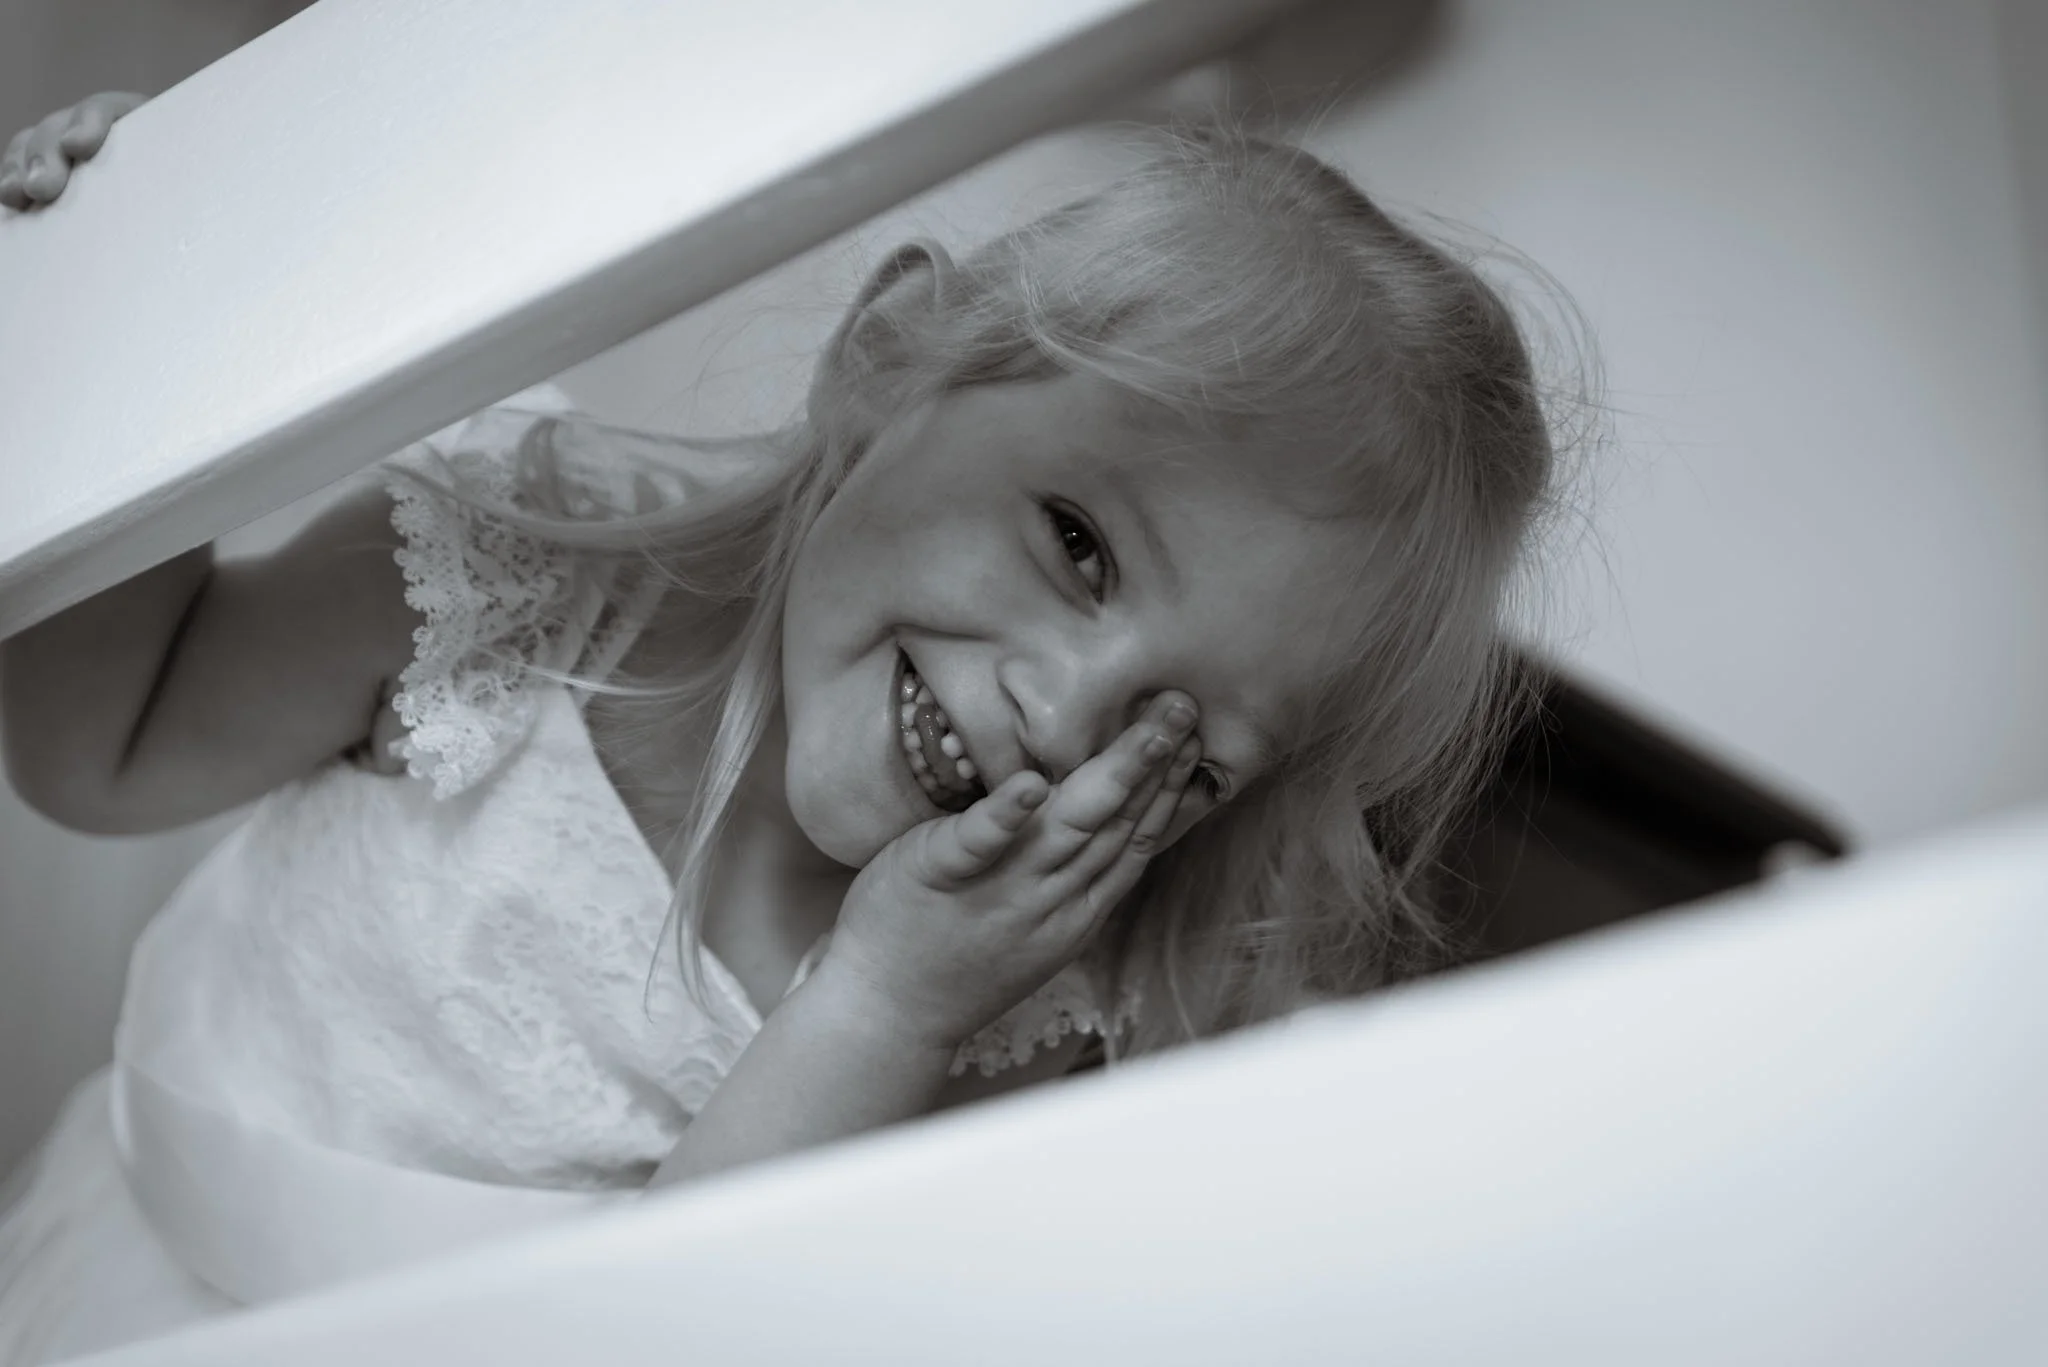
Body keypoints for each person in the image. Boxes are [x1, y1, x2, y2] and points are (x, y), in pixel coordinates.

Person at [0, 89, 1565, 1363]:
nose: (1069, 719)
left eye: (1189, 744)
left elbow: (668, 1334)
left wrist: (882, 1007)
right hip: (116, 1272)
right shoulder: (520, 572)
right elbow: (99, 746)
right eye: (1080, 547)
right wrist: (128, 307)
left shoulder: (1017, 1012)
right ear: (890, 365)